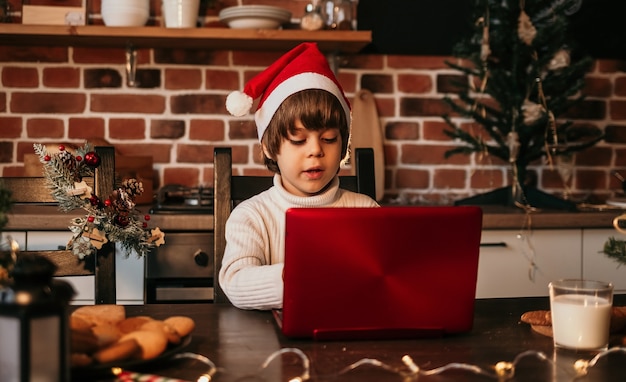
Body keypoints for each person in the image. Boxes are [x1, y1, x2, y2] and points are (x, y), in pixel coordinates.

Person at [219, 42, 379, 310]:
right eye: (298, 140)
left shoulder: (367, 211)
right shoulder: (252, 216)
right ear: (270, 148)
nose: (316, 150)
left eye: (329, 139)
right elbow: (236, 283)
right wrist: (313, 277)